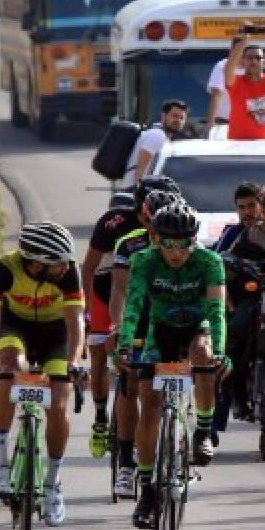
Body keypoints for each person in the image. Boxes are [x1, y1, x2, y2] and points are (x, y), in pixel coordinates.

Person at [119, 202, 226, 529]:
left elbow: (217, 310)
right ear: (156, 239)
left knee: (204, 352)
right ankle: (148, 487)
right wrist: (125, 343)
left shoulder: (210, 262)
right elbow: (134, 305)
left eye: (185, 244)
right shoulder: (143, 261)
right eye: (169, 243)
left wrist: (220, 350)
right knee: (149, 403)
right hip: (161, 332)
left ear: (195, 241)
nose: (177, 252)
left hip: (198, 326)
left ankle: (204, 429)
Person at [0, 222, 85, 526]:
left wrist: (75, 362)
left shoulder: (69, 272)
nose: (65, 268)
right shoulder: (3, 269)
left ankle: (52, 484)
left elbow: (77, 323)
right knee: (8, 371)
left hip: (57, 334)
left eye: (67, 262)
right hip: (16, 328)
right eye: (58, 264)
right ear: (36, 263)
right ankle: (0, 466)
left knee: (59, 400)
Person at [81, 175, 179, 463]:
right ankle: (100, 418)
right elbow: (89, 268)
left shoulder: (175, 224)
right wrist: (87, 312)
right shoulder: (114, 223)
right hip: (107, 289)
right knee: (100, 353)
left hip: (155, 297)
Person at [104, 188, 179, 496]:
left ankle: (179, 443)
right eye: (151, 222)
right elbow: (120, 291)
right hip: (138, 314)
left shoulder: (185, 241)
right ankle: (125, 461)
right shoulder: (131, 244)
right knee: (131, 381)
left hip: (173, 317)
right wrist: (120, 327)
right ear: (144, 219)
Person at [121, 99, 188, 188]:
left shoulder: (160, 136)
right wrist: (140, 196)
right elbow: (141, 171)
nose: (178, 121)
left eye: (182, 118)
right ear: (163, 116)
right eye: (175, 116)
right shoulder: (157, 135)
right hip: (132, 193)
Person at [212, 181, 262, 253]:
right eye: (241, 207)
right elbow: (215, 259)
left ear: (262, 206)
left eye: (251, 206)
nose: (246, 212)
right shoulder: (231, 233)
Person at [205, 48, 243, 126]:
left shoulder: (252, 67)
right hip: (223, 123)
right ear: (231, 51)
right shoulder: (222, 66)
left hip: (247, 122)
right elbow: (216, 94)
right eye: (238, 50)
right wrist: (211, 124)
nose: (239, 54)